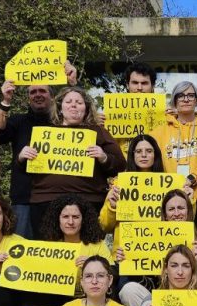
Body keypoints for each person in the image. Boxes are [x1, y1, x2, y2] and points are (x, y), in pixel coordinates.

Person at [17, 86, 125, 235]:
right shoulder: (45, 134)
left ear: (86, 109)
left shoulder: (98, 132)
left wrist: (104, 157)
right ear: (60, 108)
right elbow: (25, 168)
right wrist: (22, 157)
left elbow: (120, 165)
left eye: (79, 102)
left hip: (89, 201)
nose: (74, 105)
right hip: (46, 201)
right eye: (68, 102)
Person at [0, 62, 79, 238]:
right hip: (24, 199)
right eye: (33, 92)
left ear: (52, 97)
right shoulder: (18, 121)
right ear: (28, 98)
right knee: (22, 249)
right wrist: (5, 101)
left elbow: (83, 117)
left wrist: (73, 83)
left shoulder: (63, 123)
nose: (37, 95)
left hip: (57, 199)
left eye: (42, 91)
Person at [118, 189, 197, 306]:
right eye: (171, 209)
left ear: (188, 212)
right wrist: (131, 263)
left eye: (181, 208)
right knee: (129, 289)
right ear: (165, 215)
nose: (176, 213)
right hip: (160, 302)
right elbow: (149, 285)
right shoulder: (152, 242)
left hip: (192, 300)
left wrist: (196, 264)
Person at [99, 133, 167, 277]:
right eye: (139, 151)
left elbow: (184, 219)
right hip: (126, 257)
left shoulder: (169, 184)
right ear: (132, 155)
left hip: (160, 256)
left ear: (155, 155)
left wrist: (190, 200)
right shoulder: (119, 184)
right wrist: (112, 207)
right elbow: (104, 225)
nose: (144, 155)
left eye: (149, 151)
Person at [149, 81, 197, 236]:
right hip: (170, 202)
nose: (186, 99)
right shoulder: (159, 132)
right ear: (174, 100)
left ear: (196, 100)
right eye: (181, 95)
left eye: (191, 95)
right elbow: (143, 161)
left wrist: (193, 178)